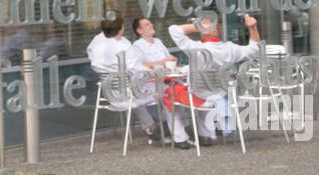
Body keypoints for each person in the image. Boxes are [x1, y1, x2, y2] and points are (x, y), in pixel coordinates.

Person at [168, 14, 262, 143]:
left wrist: (199, 27)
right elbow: (255, 49)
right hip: (221, 93)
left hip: (199, 94)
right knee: (205, 90)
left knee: (169, 93)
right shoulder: (230, 48)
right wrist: (253, 28)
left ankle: (181, 138)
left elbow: (173, 30)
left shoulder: (195, 48)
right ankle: (205, 135)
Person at [88, 18, 165, 142]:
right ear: (121, 28)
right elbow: (135, 68)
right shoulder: (123, 46)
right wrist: (152, 73)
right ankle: (169, 128)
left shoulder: (96, 46)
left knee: (132, 89)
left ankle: (151, 126)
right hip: (126, 95)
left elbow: (96, 64)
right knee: (162, 92)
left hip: (108, 94)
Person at [131, 18, 194, 149]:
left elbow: (167, 59)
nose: (151, 25)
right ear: (139, 30)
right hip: (150, 83)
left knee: (183, 91)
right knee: (169, 96)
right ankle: (180, 137)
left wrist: (172, 61)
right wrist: (163, 61)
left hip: (167, 79)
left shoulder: (158, 42)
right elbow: (140, 65)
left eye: (150, 23)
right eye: (147, 25)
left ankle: (186, 130)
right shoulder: (136, 46)